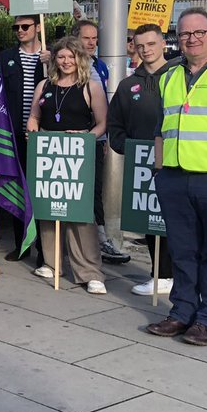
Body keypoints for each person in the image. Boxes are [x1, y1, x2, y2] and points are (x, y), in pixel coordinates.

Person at [146, 8, 207, 345]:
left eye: (198, 32)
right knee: (183, 250)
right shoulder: (168, 77)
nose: (191, 39)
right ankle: (183, 311)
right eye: (185, 34)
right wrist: (159, 170)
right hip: (174, 176)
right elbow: (161, 128)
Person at [26, 36, 108, 294]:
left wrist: (86, 139)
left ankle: (90, 271)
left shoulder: (91, 86)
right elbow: (34, 117)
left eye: (71, 56)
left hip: (80, 155)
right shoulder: (44, 85)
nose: (66, 61)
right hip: (49, 154)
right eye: (61, 56)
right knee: (50, 208)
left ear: (79, 58)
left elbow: (103, 123)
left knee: (80, 213)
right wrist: (32, 130)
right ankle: (52, 263)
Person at [108, 24, 176, 296]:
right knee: (151, 221)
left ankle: (181, 276)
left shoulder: (179, 77)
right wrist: (132, 149)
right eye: (140, 46)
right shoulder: (127, 86)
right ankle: (161, 275)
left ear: (163, 44)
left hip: (176, 162)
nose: (146, 50)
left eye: (151, 44)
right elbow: (115, 127)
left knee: (177, 222)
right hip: (142, 164)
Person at [74, 19, 129, 265]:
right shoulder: (65, 65)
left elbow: (104, 108)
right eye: (87, 38)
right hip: (70, 140)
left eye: (95, 38)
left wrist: (104, 137)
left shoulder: (101, 67)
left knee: (95, 191)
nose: (92, 43)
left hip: (95, 139)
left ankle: (102, 238)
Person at [0, 15, 50, 261]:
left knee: (41, 190)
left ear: (37, 27)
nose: (20, 30)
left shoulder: (52, 56)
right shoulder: (6, 57)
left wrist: (53, 64)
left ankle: (45, 249)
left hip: (43, 136)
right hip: (15, 134)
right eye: (16, 27)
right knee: (18, 189)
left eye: (25, 26)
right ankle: (22, 244)